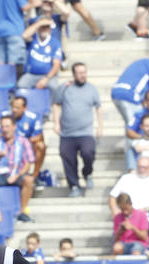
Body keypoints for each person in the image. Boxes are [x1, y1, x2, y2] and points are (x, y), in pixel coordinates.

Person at [53, 61, 102, 198]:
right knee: (67, 158)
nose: (83, 75)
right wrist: (56, 123)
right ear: (74, 74)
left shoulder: (92, 89)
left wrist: (100, 126)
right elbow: (56, 104)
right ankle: (74, 185)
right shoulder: (65, 88)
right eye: (80, 73)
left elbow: (98, 107)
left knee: (89, 152)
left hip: (85, 131)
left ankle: (87, 173)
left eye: (84, 72)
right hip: (67, 133)